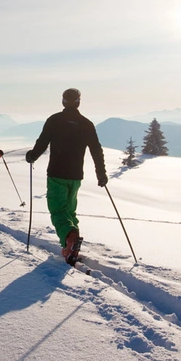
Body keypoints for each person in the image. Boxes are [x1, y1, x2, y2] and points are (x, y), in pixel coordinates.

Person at [25, 88, 108, 266]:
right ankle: (70, 246)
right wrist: (101, 173)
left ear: (63, 102)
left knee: (58, 211)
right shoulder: (86, 124)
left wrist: (32, 156)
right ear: (78, 102)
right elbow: (96, 150)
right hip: (76, 176)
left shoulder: (54, 120)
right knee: (70, 211)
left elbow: (42, 142)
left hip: (56, 173)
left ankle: (70, 238)